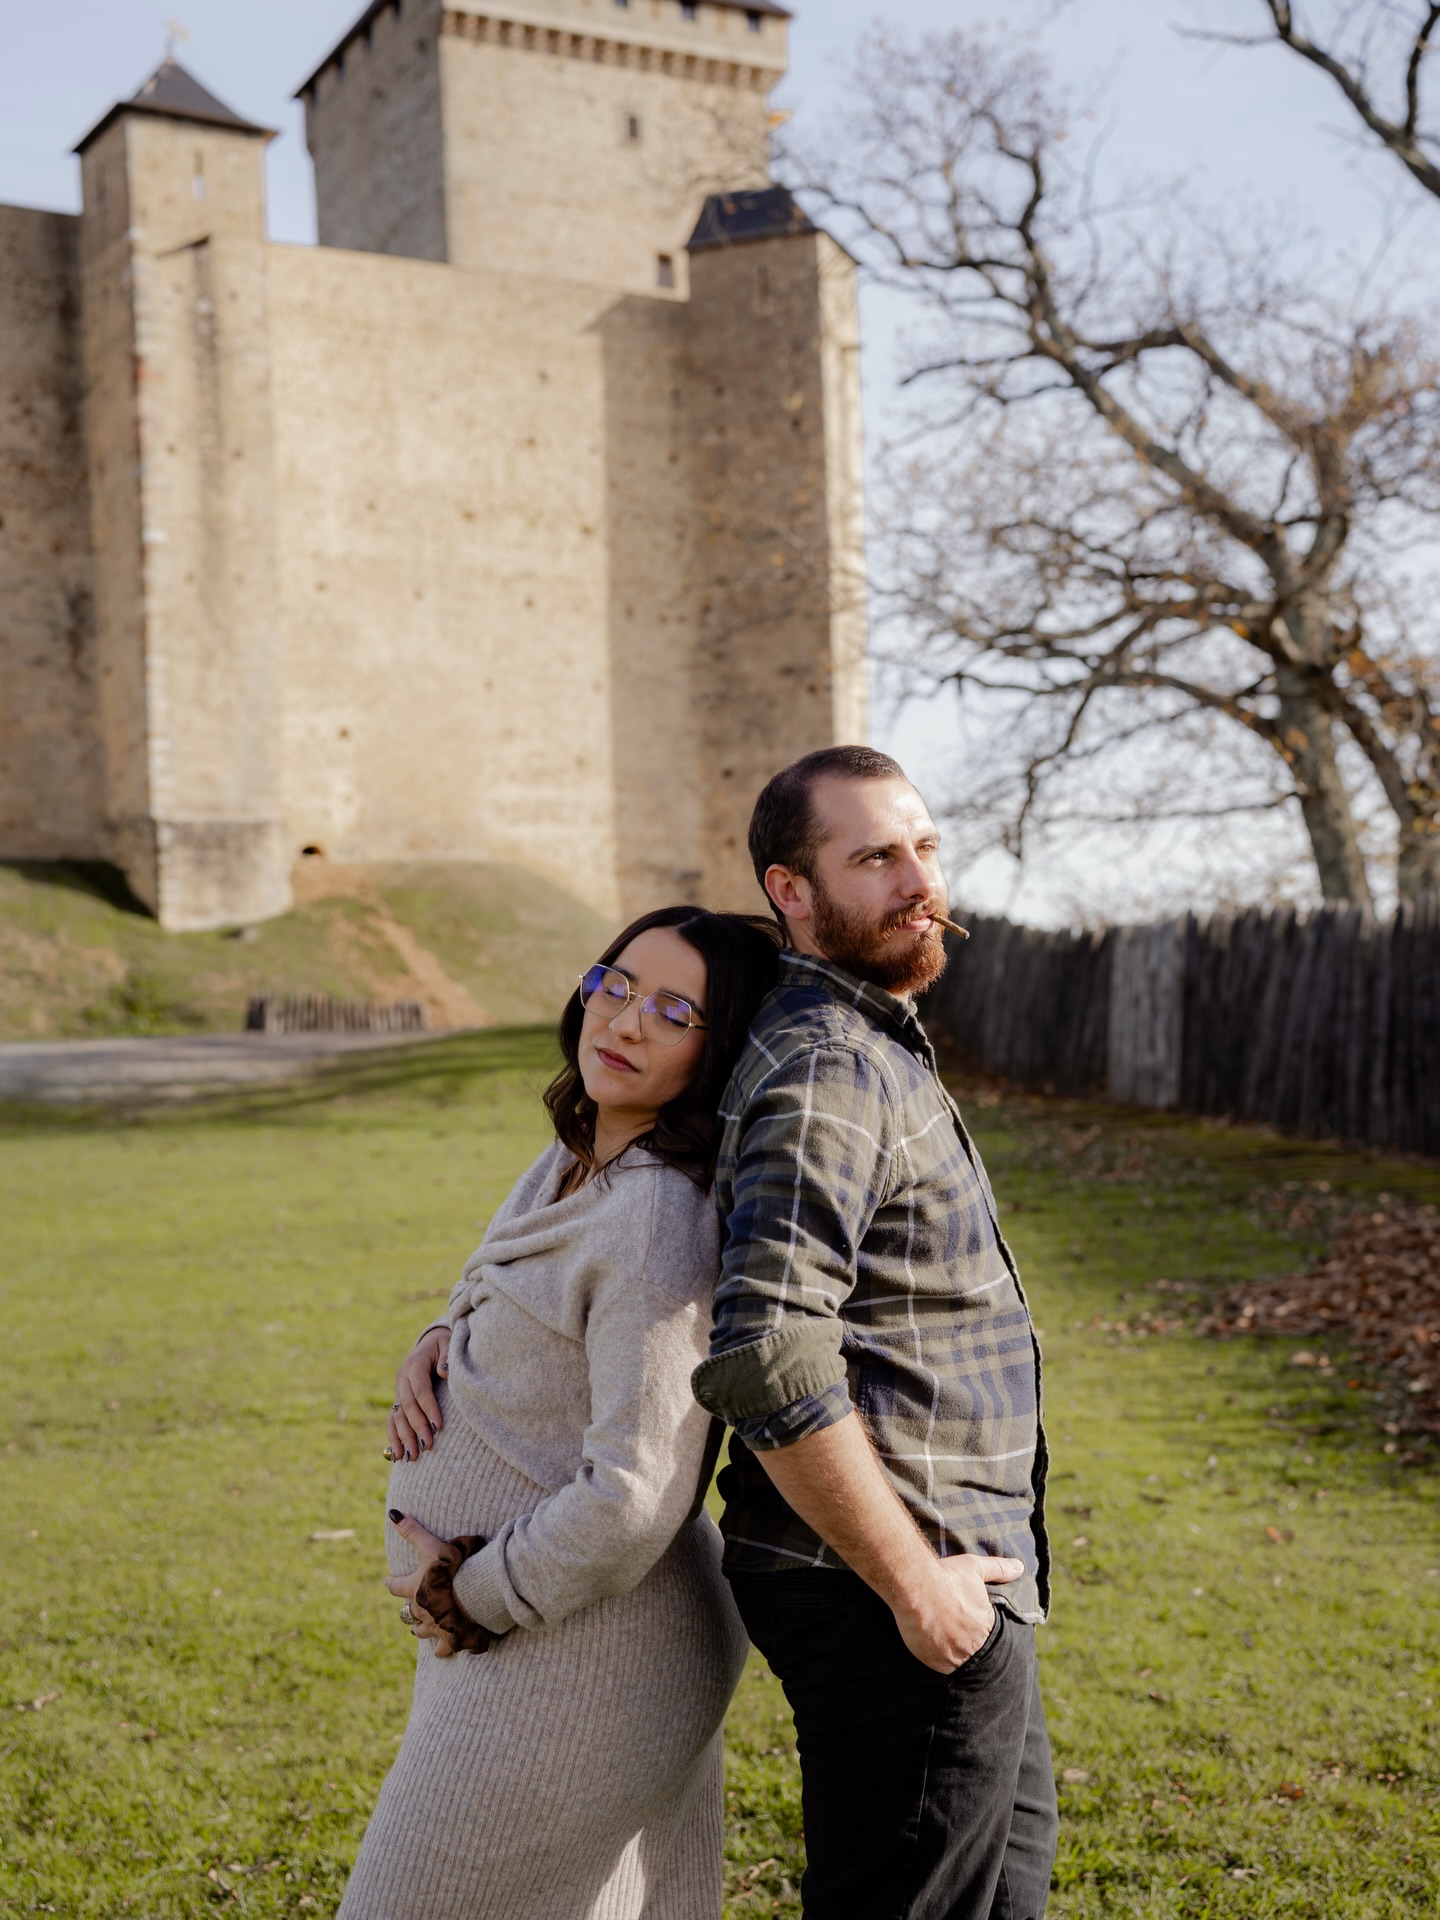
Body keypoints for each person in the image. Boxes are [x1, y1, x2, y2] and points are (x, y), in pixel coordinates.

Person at [339, 905, 780, 1920]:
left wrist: (475, 1592)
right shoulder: (583, 1149)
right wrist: (442, 1334)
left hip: (580, 1658)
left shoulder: (656, 1218)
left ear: (717, 1054)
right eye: (614, 985)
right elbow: (507, 1269)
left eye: (674, 1012)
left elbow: (634, 1495)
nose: (622, 1023)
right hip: (543, 1644)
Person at [692, 746, 1057, 1920]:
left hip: (944, 1585)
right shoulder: (831, 1063)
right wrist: (914, 1587)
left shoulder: (869, 1038)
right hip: (889, 1593)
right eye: (875, 857)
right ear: (790, 891)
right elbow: (767, 1351)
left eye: (925, 846)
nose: (918, 880)